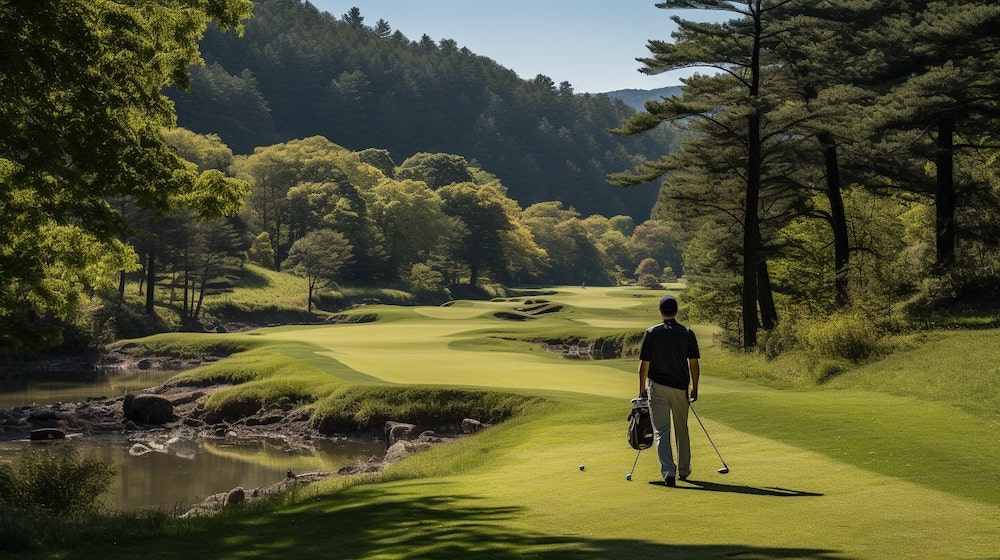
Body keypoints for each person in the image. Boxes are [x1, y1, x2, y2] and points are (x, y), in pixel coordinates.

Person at [637, 295, 700, 487]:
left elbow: (644, 365)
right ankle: (684, 469)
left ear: (660, 311)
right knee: (682, 428)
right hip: (681, 387)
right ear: (676, 311)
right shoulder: (687, 332)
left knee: (661, 431)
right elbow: (694, 364)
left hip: (657, 387)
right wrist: (695, 387)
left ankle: (668, 472)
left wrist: (641, 390)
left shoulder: (651, 332)